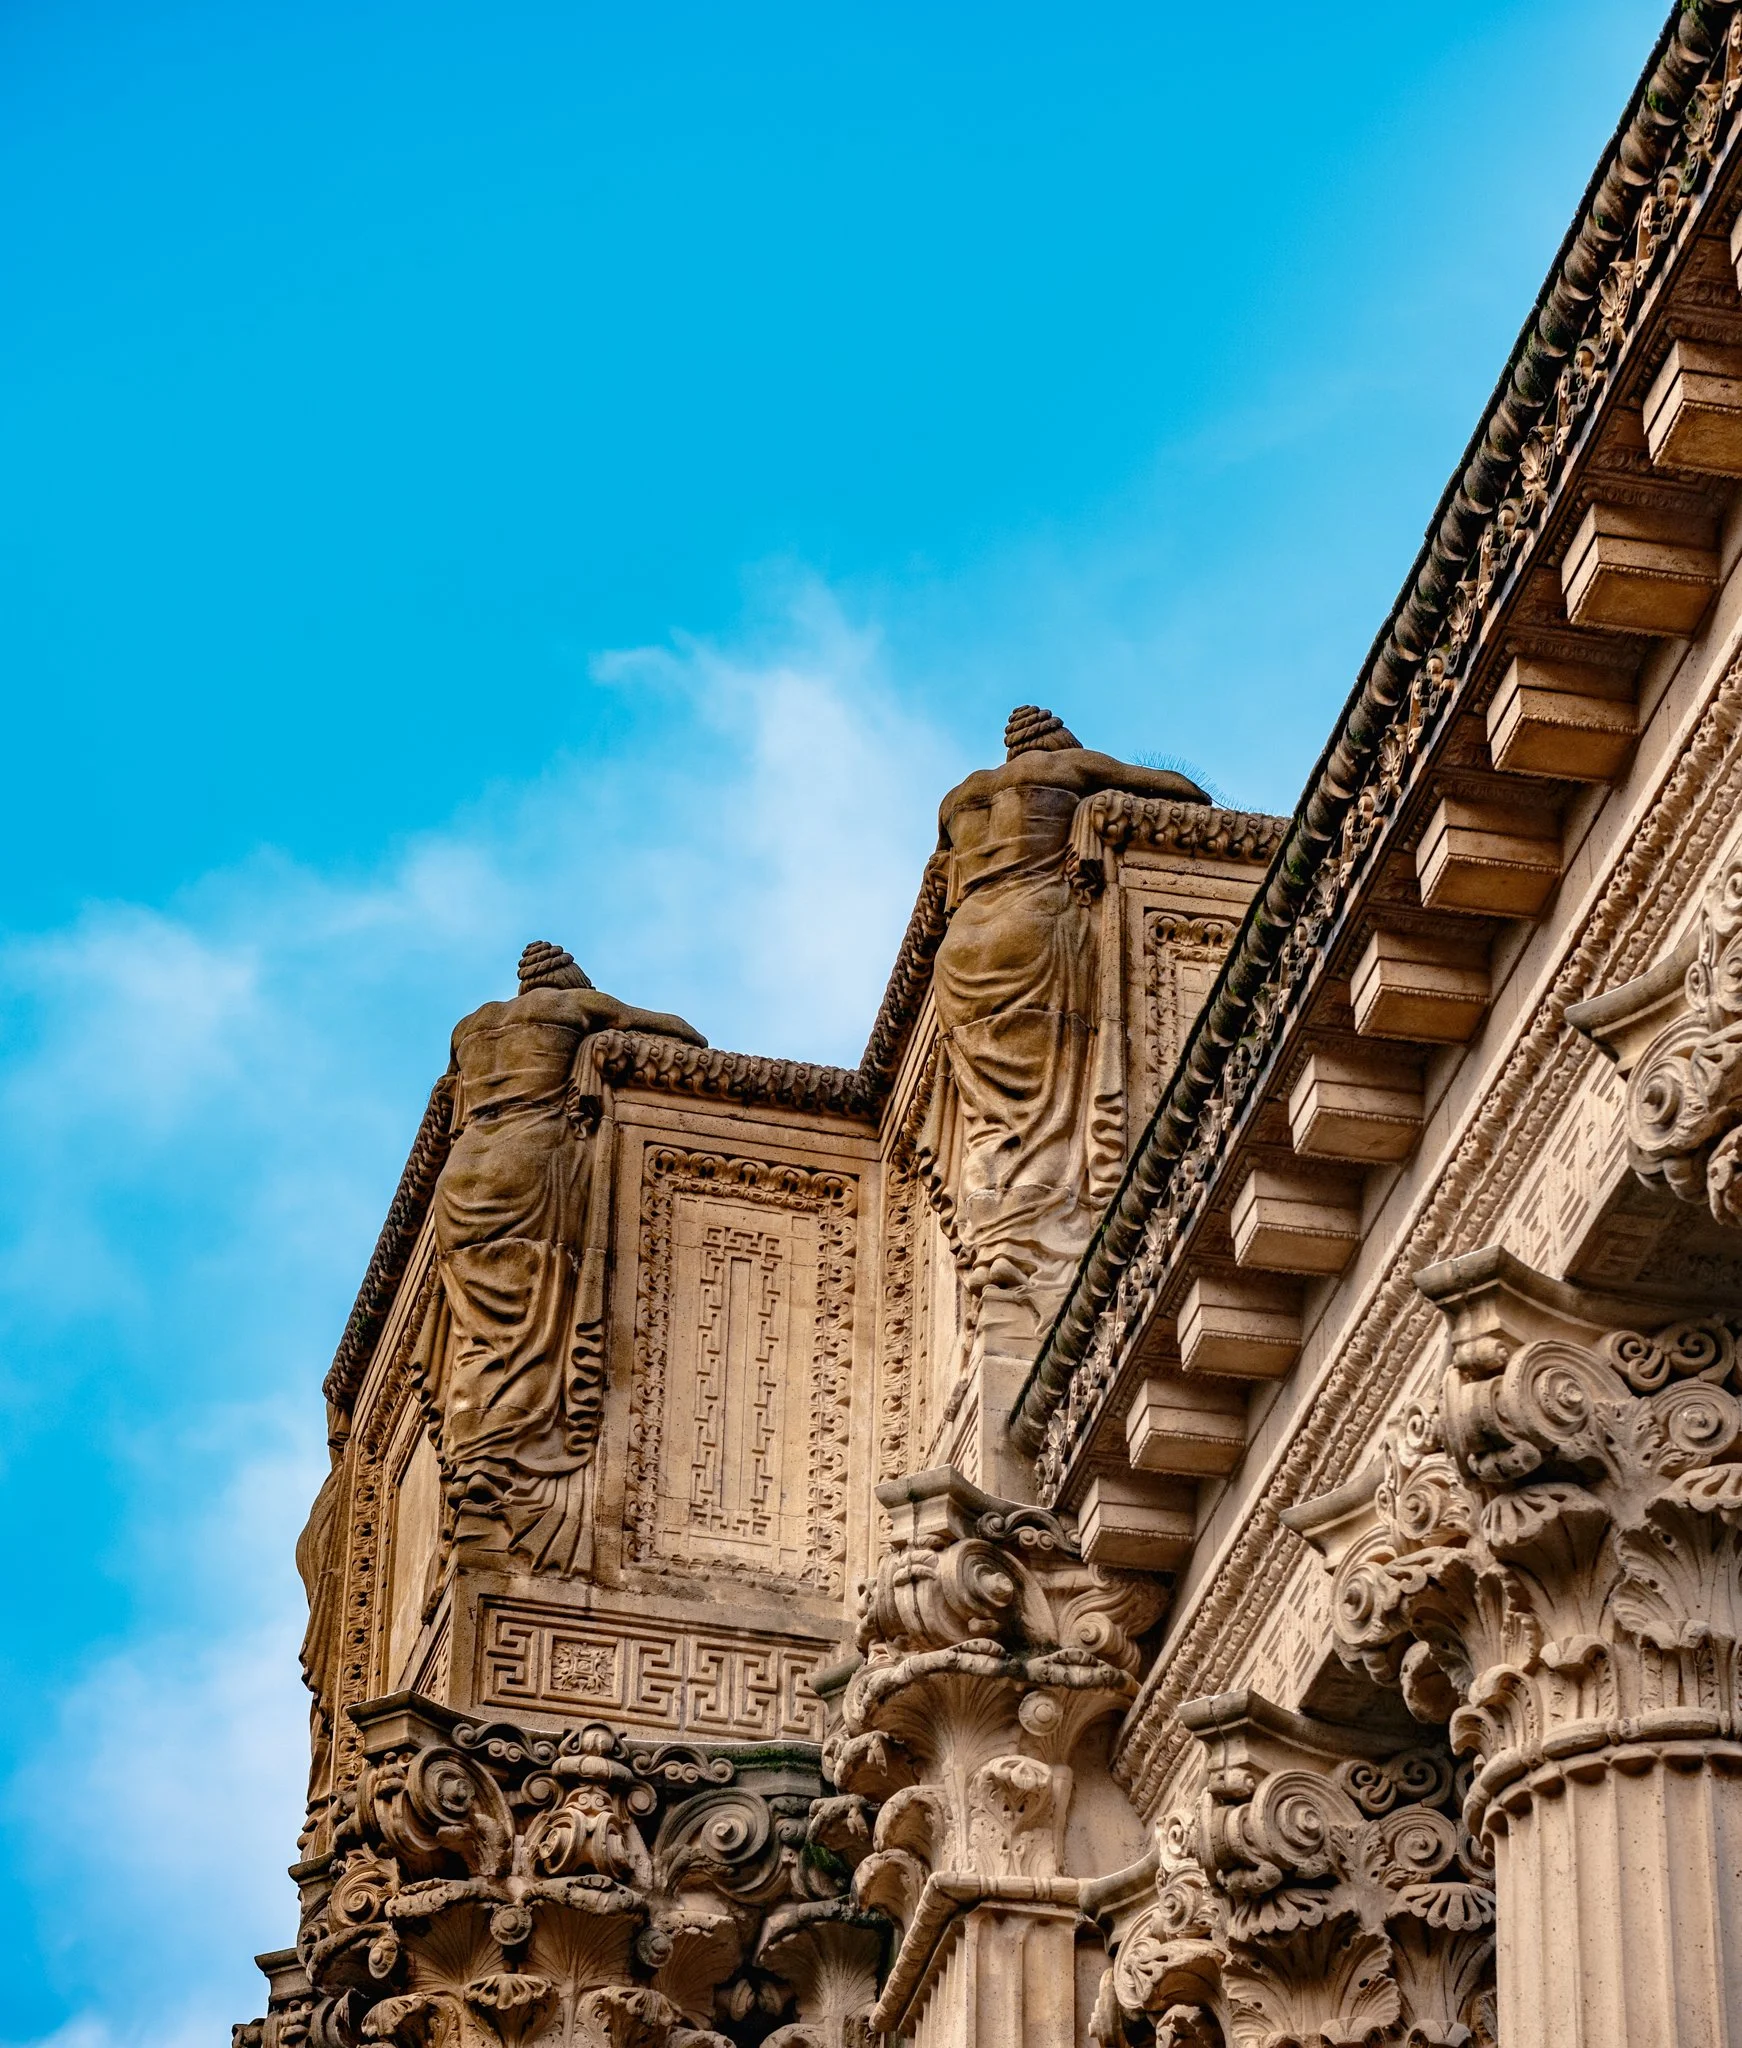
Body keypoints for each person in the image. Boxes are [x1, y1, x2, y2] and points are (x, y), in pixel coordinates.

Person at [923, 706, 1206, 1322]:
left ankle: (994, 1236)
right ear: (1058, 742)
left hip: (962, 952)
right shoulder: (1070, 767)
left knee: (996, 1115)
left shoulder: (957, 800)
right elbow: (1187, 796)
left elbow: (941, 875)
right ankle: (1032, 1242)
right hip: (1032, 930)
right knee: (1049, 1104)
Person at [428, 939, 704, 1566]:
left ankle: (469, 1467)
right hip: (529, 1162)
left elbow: (451, 1094)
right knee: (529, 1335)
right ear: (569, 979)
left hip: (463, 1175)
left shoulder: (468, 1028)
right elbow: (681, 1034)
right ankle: (493, 1474)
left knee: (482, 1336)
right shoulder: (577, 1006)